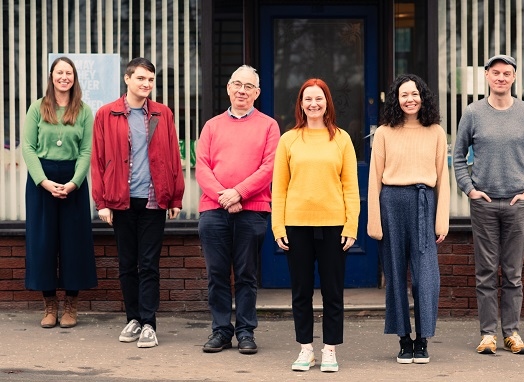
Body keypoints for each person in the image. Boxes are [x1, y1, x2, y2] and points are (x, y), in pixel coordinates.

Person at [453, 54, 524, 355]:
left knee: (513, 273)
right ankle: (488, 335)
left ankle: (512, 333)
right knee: (485, 272)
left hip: (517, 203)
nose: (501, 78)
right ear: (487, 76)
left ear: (514, 77)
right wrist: (470, 189)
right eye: (496, 73)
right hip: (484, 203)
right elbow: (457, 157)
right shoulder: (472, 112)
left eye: (506, 73)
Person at [91, 57, 185, 348]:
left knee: (149, 264)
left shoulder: (162, 114)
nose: (146, 84)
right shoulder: (106, 115)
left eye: (151, 80)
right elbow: (97, 161)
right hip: (120, 201)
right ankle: (132, 319)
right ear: (127, 79)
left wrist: (176, 195)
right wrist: (102, 202)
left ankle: (148, 324)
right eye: (141, 78)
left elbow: (173, 156)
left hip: (154, 200)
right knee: (127, 264)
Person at [272, 78, 359, 372]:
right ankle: (306, 349)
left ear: (327, 103)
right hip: (296, 225)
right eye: (307, 99)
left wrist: (351, 225)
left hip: (334, 225)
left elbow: (350, 186)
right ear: (300, 104)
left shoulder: (342, 139)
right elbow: (279, 188)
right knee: (301, 291)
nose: (313, 104)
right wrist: (278, 227)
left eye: (318, 98)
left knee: (333, 292)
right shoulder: (288, 140)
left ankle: (330, 349)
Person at [196, 65, 280, 355]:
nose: (242, 90)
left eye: (248, 86)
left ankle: (245, 331)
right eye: (237, 84)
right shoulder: (211, 126)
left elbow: (269, 167)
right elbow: (202, 167)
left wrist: (239, 193)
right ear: (229, 88)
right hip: (214, 210)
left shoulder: (269, 126)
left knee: (246, 275)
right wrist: (224, 197)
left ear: (257, 93)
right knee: (217, 274)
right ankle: (220, 331)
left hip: (252, 209)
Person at [367, 74, 450, 364]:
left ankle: (423, 338)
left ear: (423, 97)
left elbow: (443, 178)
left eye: (414, 94)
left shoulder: (436, 131)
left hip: (424, 202)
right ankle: (404, 339)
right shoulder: (385, 133)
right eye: (404, 95)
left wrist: (442, 221)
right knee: (395, 276)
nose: (410, 99)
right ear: (396, 99)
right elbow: (374, 178)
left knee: (426, 278)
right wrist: (374, 222)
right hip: (391, 202)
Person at [22, 56, 97, 329]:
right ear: (51, 76)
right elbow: (28, 148)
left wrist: (75, 182)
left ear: (74, 77)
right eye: (59, 72)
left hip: (72, 182)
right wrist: (43, 181)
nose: (64, 77)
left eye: (69, 73)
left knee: (73, 243)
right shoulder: (37, 109)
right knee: (43, 243)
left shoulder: (84, 111)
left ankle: (71, 305)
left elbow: (87, 151)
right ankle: (50, 304)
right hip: (41, 181)